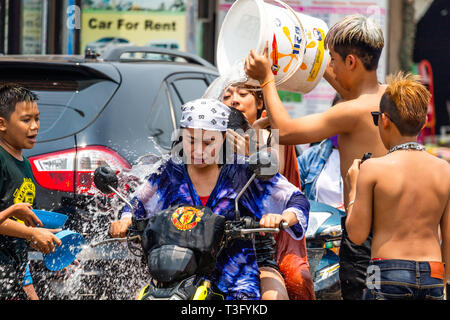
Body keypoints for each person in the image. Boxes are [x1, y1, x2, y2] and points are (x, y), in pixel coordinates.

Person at [244, 14, 388, 300]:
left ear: (351, 62)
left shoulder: (352, 110)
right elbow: (349, 86)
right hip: (395, 233)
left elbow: (285, 131)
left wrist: (266, 79)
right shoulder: (387, 98)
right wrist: (308, 56)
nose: (330, 68)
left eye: (333, 60)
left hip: (364, 232)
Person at [109, 98, 310, 300]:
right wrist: (125, 220)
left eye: (208, 142)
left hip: (237, 277)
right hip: (178, 276)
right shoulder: (169, 172)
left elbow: (296, 199)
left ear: (223, 138)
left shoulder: (245, 171)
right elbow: (136, 204)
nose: (198, 150)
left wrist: (283, 217)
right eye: (191, 140)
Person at [345, 72, 450, 300]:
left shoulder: (373, 168)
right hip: (433, 271)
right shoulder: (445, 170)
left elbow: (357, 235)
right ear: (422, 123)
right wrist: (441, 283)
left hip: (385, 270)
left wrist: (353, 186)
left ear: (384, 120)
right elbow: (449, 236)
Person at [222, 85, 315, 300]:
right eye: (226, 96)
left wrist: (251, 144)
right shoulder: (207, 142)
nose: (234, 101)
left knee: (297, 279)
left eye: (242, 95)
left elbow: (273, 178)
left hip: (267, 234)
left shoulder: (271, 135)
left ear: (260, 103)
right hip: (216, 243)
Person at [0, 83, 62, 299]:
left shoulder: (25, 165)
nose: (35, 126)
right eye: (26, 120)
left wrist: (47, 241)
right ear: (2, 124)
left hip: (12, 276)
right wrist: (29, 230)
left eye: (37, 119)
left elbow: (20, 231)